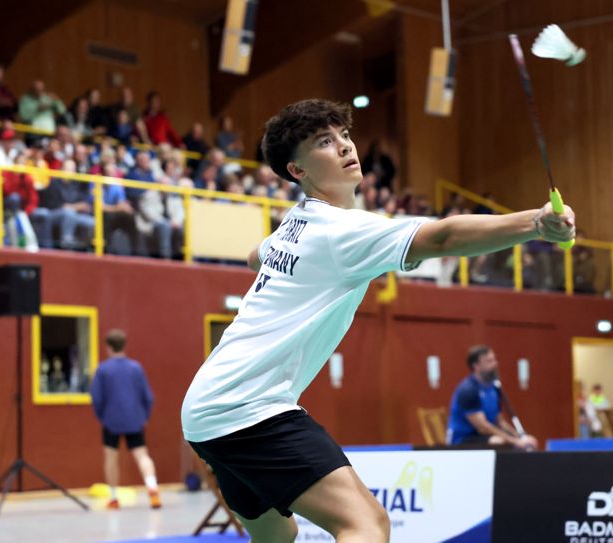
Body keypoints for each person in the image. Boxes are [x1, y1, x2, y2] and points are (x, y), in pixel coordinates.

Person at [181, 99, 575, 542]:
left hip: (204, 411)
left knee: (278, 537)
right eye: (324, 143)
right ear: (297, 170)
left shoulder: (296, 224)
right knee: (366, 524)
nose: (345, 146)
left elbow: (257, 254)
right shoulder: (338, 231)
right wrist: (536, 223)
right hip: (248, 407)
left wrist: (274, 261)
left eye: (344, 136)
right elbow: (442, 236)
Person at [90, 329, 161, 510]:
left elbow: (96, 398)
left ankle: (114, 498)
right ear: (125, 345)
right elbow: (148, 396)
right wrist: (144, 416)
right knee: (142, 456)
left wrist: (102, 417)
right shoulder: (136, 368)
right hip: (134, 419)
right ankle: (153, 489)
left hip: (110, 421)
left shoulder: (103, 369)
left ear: (107, 347)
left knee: (111, 457)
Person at [447, 345, 539, 449]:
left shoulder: (494, 388)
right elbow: (482, 427)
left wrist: (521, 437)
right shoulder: (468, 390)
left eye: (494, 360)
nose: (494, 364)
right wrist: (515, 441)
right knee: (499, 442)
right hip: (463, 440)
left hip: (484, 437)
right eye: (488, 361)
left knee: (515, 443)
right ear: (476, 365)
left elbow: (500, 422)